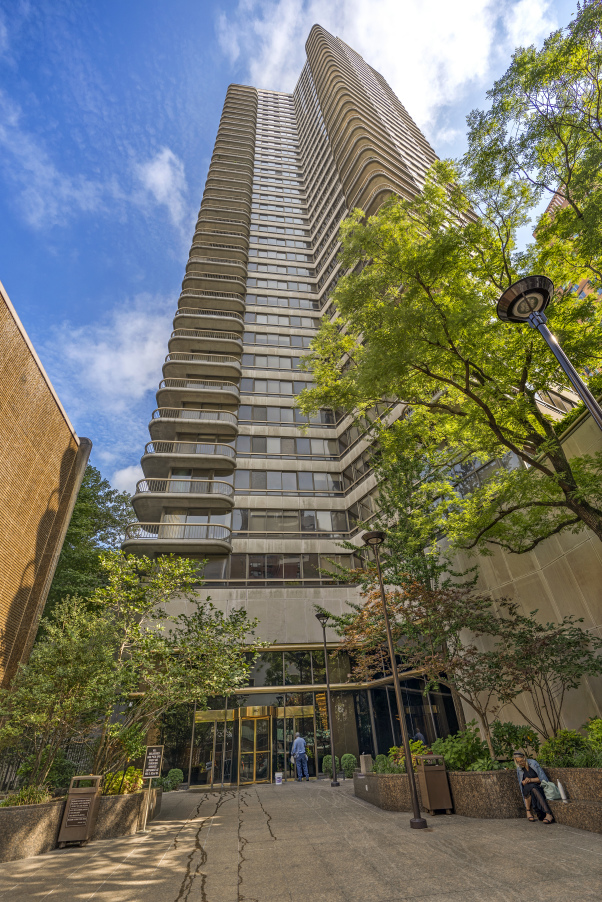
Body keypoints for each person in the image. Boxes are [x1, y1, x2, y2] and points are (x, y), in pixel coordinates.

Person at [513, 751, 555, 823]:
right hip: (529, 791)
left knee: (532, 786)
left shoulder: (533, 763)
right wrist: (524, 782)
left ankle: (529, 811)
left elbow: (543, 779)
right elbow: (521, 785)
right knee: (529, 787)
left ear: (524, 757)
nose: (521, 763)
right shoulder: (519, 769)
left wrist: (530, 780)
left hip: (539, 787)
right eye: (518, 762)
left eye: (521, 760)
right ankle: (548, 813)